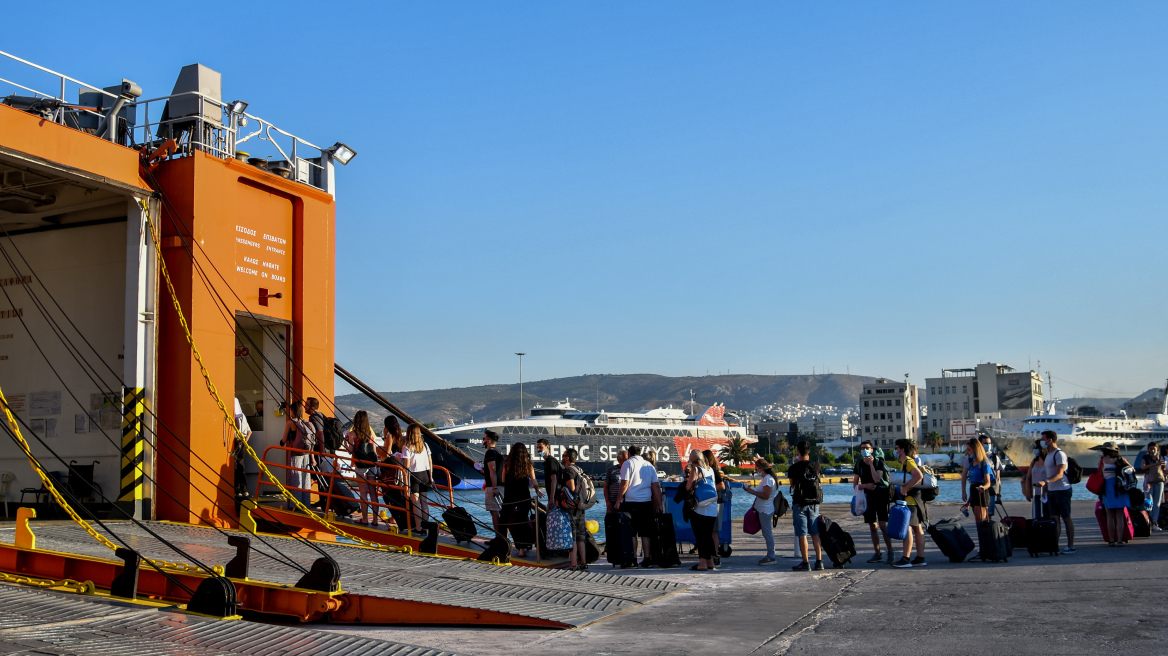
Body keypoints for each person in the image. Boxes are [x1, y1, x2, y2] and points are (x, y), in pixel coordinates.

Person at [615, 445, 662, 567]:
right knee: (645, 532)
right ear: (640, 453)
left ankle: (633, 559)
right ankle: (647, 559)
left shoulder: (627, 464)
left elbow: (625, 483)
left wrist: (618, 500)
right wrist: (659, 504)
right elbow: (656, 486)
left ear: (629, 454)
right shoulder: (649, 465)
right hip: (646, 502)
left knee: (632, 532)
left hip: (631, 502)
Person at [1035, 430, 1076, 553]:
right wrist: (1045, 489)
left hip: (1062, 490)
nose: (1042, 441)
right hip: (1052, 491)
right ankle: (1055, 545)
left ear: (1050, 440)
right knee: (1054, 519)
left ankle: (1070, 545)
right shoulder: (1048, 455)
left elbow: (1059, 474)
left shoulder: (1059, 454)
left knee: (1066, 517)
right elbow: (1049, 473)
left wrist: (1045, 482)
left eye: (1043, 439)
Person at [852, 439, 892, 564]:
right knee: (872, 526)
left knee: (882, 525)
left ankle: (890, 551)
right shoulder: (858, 465)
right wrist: (865, 486)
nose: (865, 450)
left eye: (867, 448)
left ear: (872, 450)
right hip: (867, 498)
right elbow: (855, 484)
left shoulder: (879, 463)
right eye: (862, 448)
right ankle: (877, 553)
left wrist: (870, 464)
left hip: (881, 496)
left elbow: (877, 478)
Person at [788, 440, 824, 571]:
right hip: (814, 504)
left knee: (802, 534)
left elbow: (792, 485)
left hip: (800, 504)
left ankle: (805, 562)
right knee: (815, 533)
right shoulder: (816, 465)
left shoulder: (793, 468)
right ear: (809, 452)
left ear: (798, 452)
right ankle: (819, 561)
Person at [891, 438, 927, 568]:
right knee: (918, 529)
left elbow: (918, 476)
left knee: (907, 529)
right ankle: (920, 558)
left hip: (911, 502)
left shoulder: (908, 462)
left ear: (902, 450)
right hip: (916, 501)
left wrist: (905, 488)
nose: (895, 451)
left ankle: (906, 558)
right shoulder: (907, 462)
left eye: (896, 448)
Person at [502, 442, 539, 557]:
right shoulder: (528, 464)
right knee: (522, 522)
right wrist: (538, 490)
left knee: (503, 520)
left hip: (509, 496)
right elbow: (534, 481)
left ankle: (503, 546)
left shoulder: (507, 464)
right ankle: (522, 549)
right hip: (524, 496)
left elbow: (503, 480)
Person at [1093, 441, 1132, 547]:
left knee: (1110, 516)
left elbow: (1100, 475)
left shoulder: (1103, 460)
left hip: (1108, 488)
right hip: (1120, 488)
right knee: (1119, 516)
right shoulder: (1120, 460)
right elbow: (1132, 470)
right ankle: (1120, 540)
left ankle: (1111, 540)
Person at [685, 449, 719, 571]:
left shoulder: (696, 469)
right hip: (712, 507)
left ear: (692, 460)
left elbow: (688, 486)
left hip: (701, 509)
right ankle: (710, 562)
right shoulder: (710, 470)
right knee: (708, 536)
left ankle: (702, 564)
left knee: (701, 536)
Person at [346, 410, 380, 526]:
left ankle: (365, 519)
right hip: (372, 465)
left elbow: (350, 451)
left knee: (363, 492)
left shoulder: (353, 434)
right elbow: (374, 451)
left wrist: (346, 442)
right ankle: (375, 520)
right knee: (373, 493)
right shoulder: (370, 433)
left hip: (360, 465)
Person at [280, 400, 314, 509]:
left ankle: (294, 504)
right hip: (306, 454)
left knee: (295, 476)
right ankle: (305, 503)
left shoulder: (291, 422)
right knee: (304, 477)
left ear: (293, 410)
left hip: (295, 453)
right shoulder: (306, 422)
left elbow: (284, 439)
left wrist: (281, 442)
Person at [742, 457, 777, 564]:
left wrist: (750, 491)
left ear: (761, 468)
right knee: (767, 533)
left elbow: (765, 496)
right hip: (764, 509)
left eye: (756, 469)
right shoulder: (769, 478)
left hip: (765, 510)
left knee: (767, 533)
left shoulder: (768, 479)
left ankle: (771, 556)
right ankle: (770, 554)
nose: (756, 471)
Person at [399, 423, 433, 533]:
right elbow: (430, 462)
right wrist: (431, 477)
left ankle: (418, 528)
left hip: (414, 476)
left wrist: (405, 482)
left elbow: (407, 466)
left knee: (416, 504)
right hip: (425, 475)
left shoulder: (407, 447)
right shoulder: (425, 445)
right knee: (424, 502)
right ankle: (425, 527)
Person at [561, 449, 590, 570]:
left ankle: (573, 564)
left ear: (567, 458)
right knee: (581, 537)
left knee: (572, 536)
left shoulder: (568, 470)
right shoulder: (580, 469)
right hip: (581, 507)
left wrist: (563, 493)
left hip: (572, 508)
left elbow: (572, 488)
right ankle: (583, 562)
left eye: (563, 455)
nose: (562, 457)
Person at [478, 430, 505, 535]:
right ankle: (503, 536)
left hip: (493, 486)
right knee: (501, 512)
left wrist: (494, 488)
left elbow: (493, 470)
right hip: (501, 485)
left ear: (488, 441)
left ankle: (498, 537)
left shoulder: (490, 453)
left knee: (494, 512)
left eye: (484, 439)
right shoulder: (498, 452)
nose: (483, 441)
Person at [702, 449, 726, 564]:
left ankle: (715, 555)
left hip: (716, 503)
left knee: (714, 531)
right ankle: (711, 555)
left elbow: (721, 486)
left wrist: (708, 491)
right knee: (711, 531)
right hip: (713, 502)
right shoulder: (710, 470)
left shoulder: (713, 471)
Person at [963, 438, 993, 525]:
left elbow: (988, 482)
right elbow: (967, 478)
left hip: (981, 492)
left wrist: (982, 487)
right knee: (978, 521)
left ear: (975, 450)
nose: (967, 452)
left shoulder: (984, 463)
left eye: (969, 450)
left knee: (982, 522)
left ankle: (985, 538)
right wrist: (968, 502)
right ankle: (982, 538)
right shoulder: (972, 463)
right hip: (973, 491)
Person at [232, 398, 252, 512]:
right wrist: (245, 441)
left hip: (236, 440)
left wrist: (239, 441)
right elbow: (249, 431)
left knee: (235, 466)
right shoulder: (243, 416)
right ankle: (244, 489)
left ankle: (237, 489)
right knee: (241, 465)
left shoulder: (235, 417)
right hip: (243, 440)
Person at [1139, 442, 1166, 530]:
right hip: (1149, 481)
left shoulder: (1160, 457)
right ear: (1148, 450)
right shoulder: (1146, 457)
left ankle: (1154, 522)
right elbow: (1143, 467)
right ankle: (1148, 522)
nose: (1152, 450)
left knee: (1157, 503)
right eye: (1150, 449)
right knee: (1148, 502)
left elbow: (1163, 470)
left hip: (1159, 481)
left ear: (1157, 449)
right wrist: (1156, 464)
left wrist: (1164, 468)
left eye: (1154, 449)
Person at [1021, 439, 1048, 519]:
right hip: (1035, 492)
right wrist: (1028, 491)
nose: (1035, 449)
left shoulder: (1047, 461)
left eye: (1036, 447)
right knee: (1036, 515)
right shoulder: (1034, 462)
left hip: (1046, 492)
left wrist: (1045, 482)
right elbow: (1028, 477)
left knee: (1046, 515)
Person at [979, 435, 1003, 517]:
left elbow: (998, 477)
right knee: (981, 514)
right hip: (979, 488)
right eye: (985, 443)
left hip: (991, 489)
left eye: (989, 443)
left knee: (989, 514)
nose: (988, 445)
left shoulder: (994, 457)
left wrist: (999, 493)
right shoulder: (976, 457)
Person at [536, 438, 562, 503]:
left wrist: (551, 498)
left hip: (556, 498)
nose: (538, 450)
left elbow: (554, 480)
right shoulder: (547, 462)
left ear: (547, 447)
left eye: (540, 447)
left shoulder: (551, 462)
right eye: (537, 448)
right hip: (554, 497)